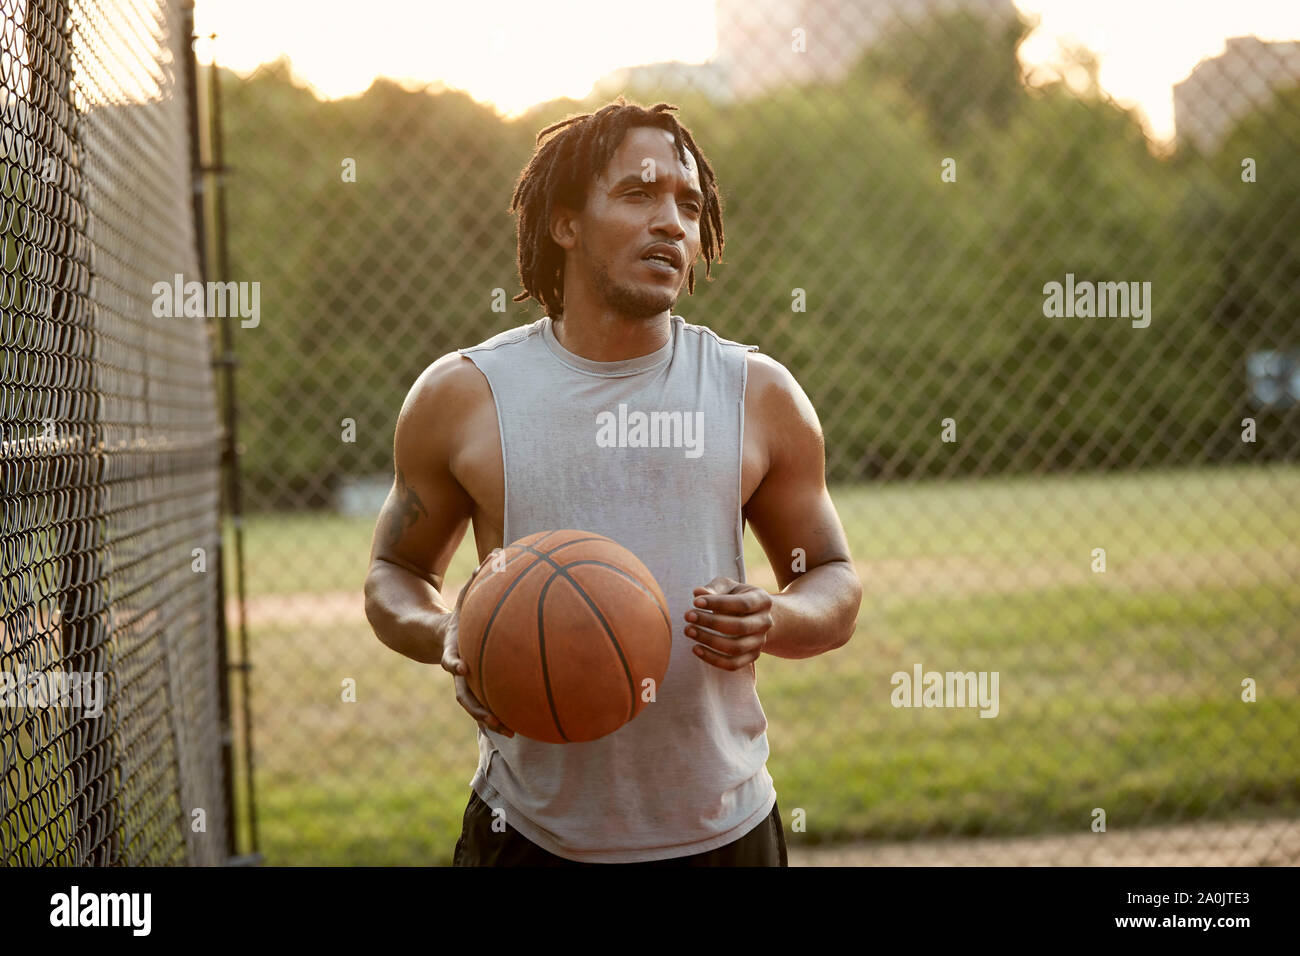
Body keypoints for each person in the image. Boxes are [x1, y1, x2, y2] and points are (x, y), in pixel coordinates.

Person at [364, 98, 862, 866]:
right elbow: (395, 574)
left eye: (689, 206)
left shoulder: (756, 393)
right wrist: (448, 633)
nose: (672, 223)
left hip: (725, 831)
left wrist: (774, 618)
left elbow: (832, 579)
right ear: (565, 222)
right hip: (528, 834)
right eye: (639, 194)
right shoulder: (463, 396)